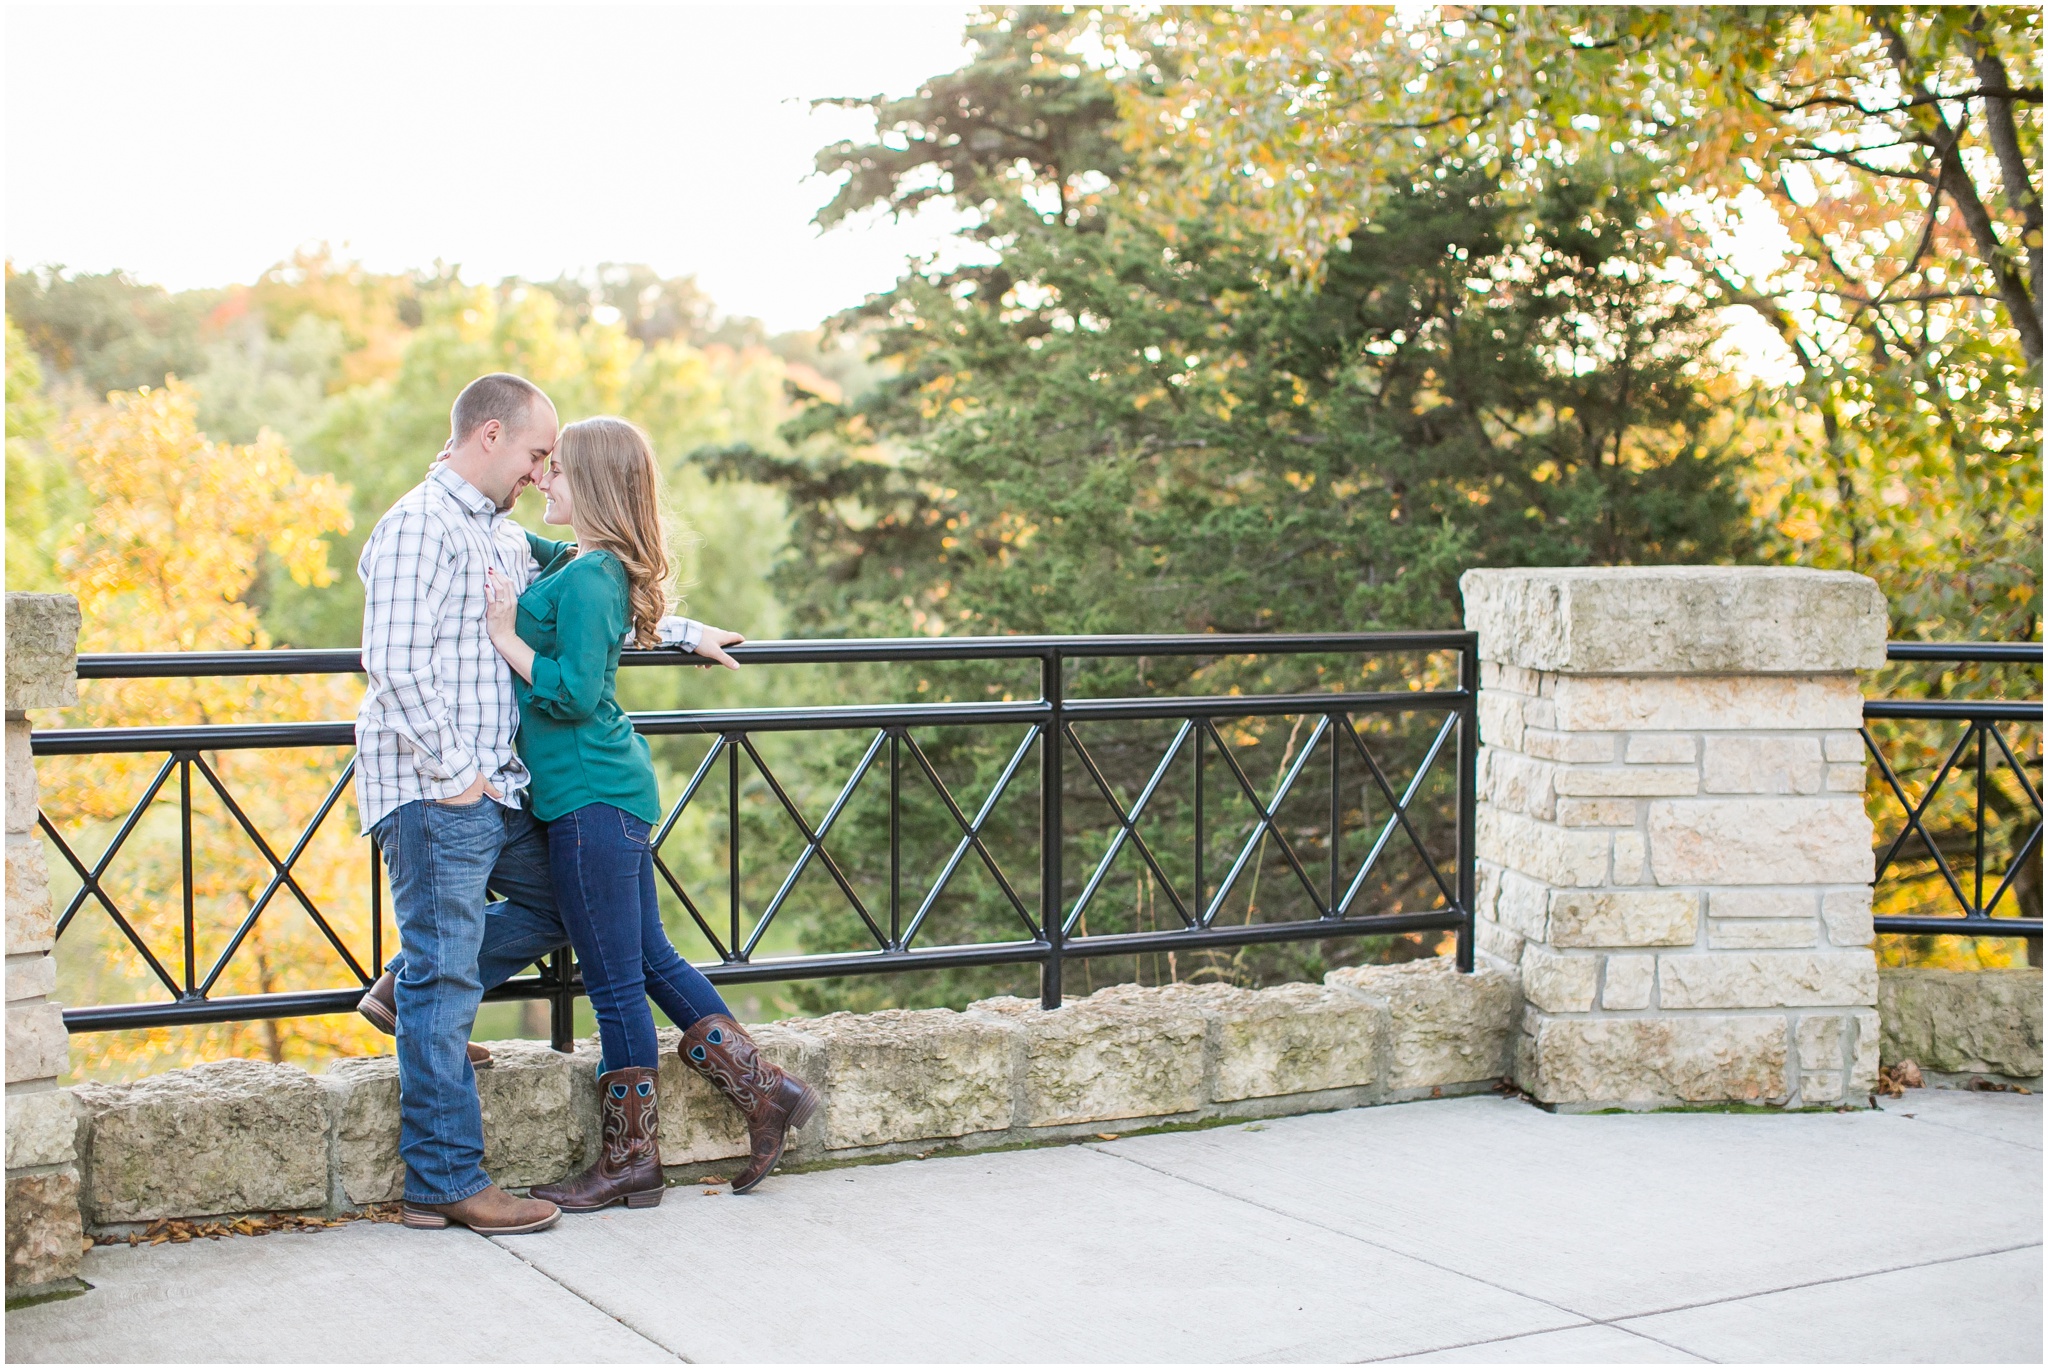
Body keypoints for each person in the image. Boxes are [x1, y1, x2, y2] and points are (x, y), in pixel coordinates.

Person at [481, 415, 819, 1212]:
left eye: (556, 471)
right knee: (652, 957)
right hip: (602, 795)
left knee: (615, 985)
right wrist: (685, 629)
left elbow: (571, 691)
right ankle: (768, 1094)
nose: (541, 480)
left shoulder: (595, 575)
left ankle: (633, 1160)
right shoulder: (584, 563)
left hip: (592, 797)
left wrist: (504, 634)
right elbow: (555, 567)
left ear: (593, 484)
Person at [353, 373, 583, 1236]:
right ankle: (445, 1181)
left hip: (495, 788)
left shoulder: (501, 536)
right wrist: (454, 774)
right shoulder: (419, 523)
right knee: (445, 976)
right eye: (533, 453)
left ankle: (405, 995)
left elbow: (597, 584)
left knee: (570, 900)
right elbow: (395, 664)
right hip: (433, 788)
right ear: (489, 434)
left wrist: (684, 633)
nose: (538, 471)